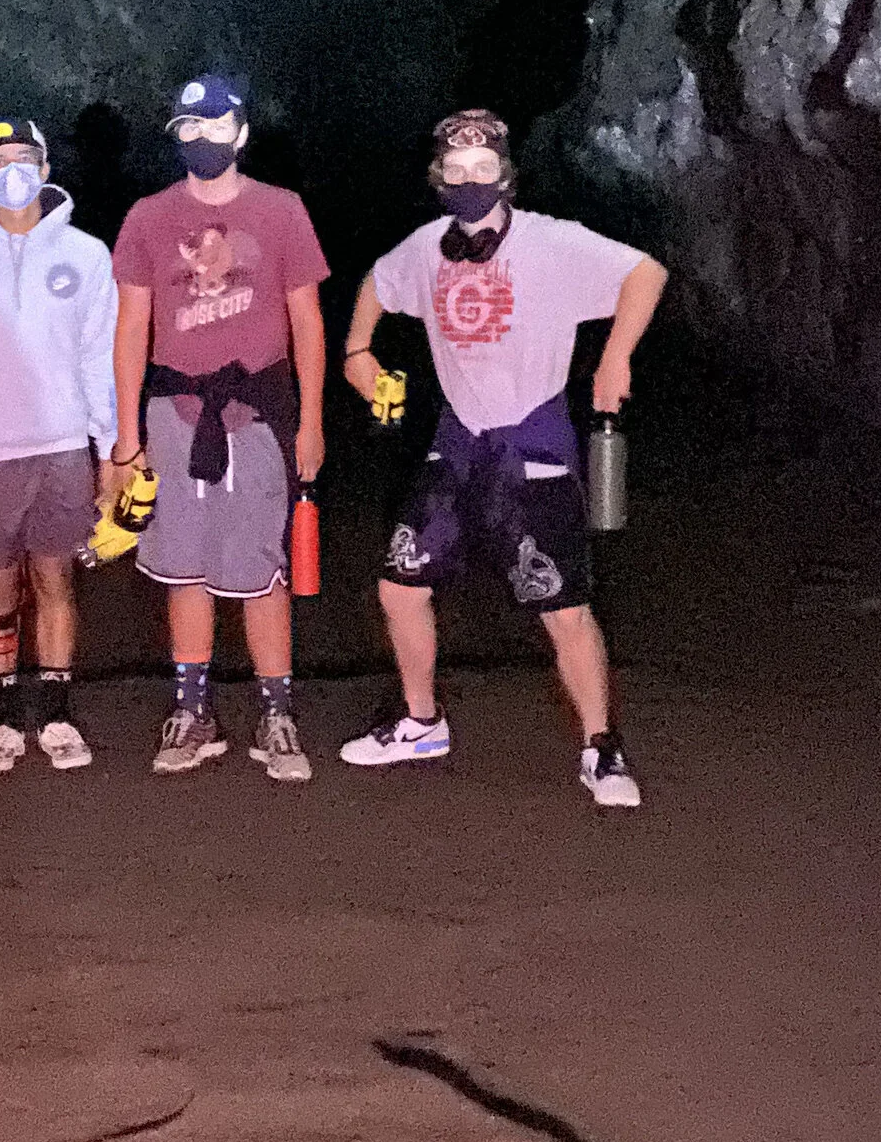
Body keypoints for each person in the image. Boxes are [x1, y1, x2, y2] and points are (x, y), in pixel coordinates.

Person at [338, 107, 666, 806]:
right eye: (455, 172)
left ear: (506, 174)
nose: (468, 182)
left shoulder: (553, 243)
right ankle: (421, 721)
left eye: (482, 170)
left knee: (564, 606)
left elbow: (645, 273)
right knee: (400, 582)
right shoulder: (428, 247)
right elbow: (376, 281)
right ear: (438, 177)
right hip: (457, 438)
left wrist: (615, 357)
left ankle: (601, 749)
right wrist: (357, 353)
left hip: (533, 436)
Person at [106, 73, 328, 779]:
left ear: (241, 132)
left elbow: (307, 322)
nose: (204, 140)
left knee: (263, 570)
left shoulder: (282, 210)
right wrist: (125, 436)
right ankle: (192, 711)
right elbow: (131, 327)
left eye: (215, 126)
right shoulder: (147, 217)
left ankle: (276, 714)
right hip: (174, 413)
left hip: (257, 414)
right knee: (184, 565)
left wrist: (312, 421)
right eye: (190, 129)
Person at [0, 116, 119, 773]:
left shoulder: (87, 255)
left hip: (62, 447)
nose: (13, 172)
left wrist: (110, 446)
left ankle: (57, 713)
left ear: (45, 165)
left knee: (55, 576)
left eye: (24, 158)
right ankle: (4, 713)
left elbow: (98, 358)